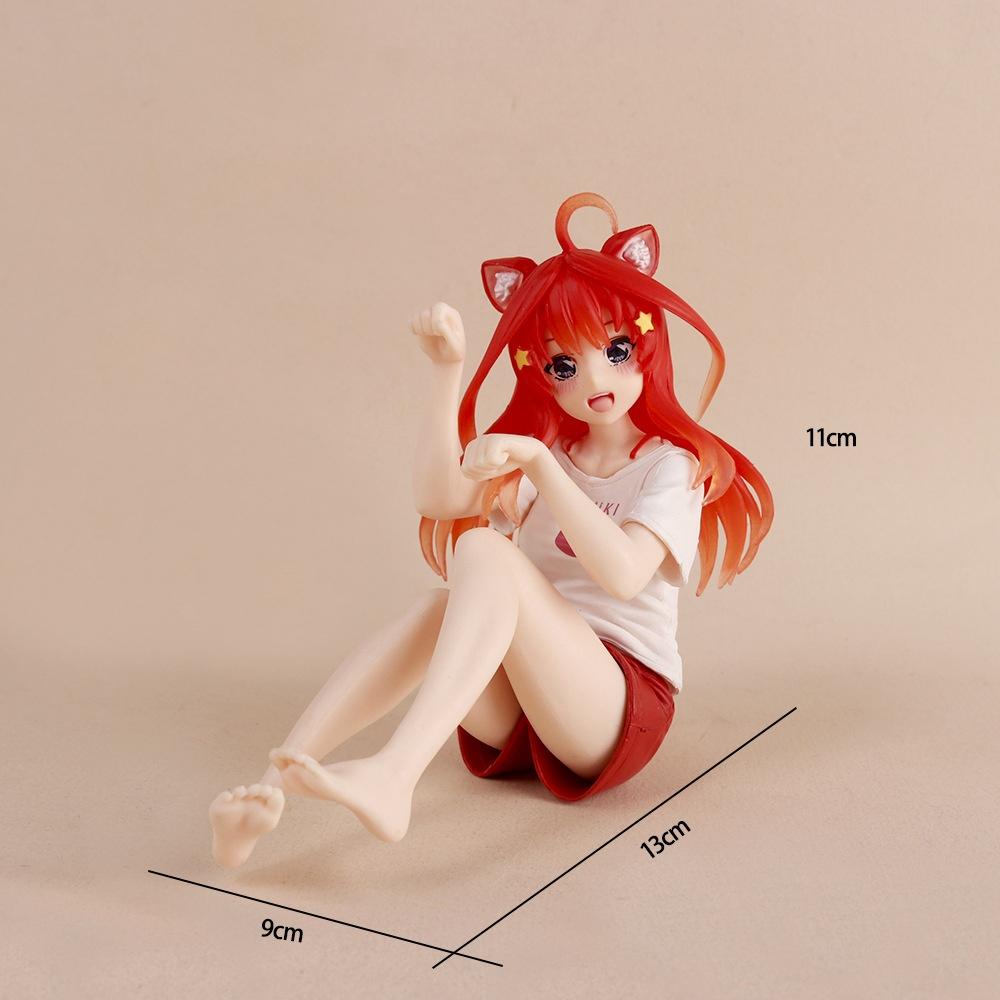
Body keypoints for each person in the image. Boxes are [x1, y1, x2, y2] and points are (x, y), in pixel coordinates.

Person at [209, 192, 773, 869]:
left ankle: (396, 773)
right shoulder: (549, 452)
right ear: (541, 374)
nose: (594, 379)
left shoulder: (669, 467)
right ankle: (268, 791)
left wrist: (540, 465)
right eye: (564, 365)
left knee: (484, 550)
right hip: (528, 705)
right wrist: (446, 372)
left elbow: (624, 574)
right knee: (436, 607)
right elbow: (439, 497)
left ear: (648, 345)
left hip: (616, 708)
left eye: (616, 349)